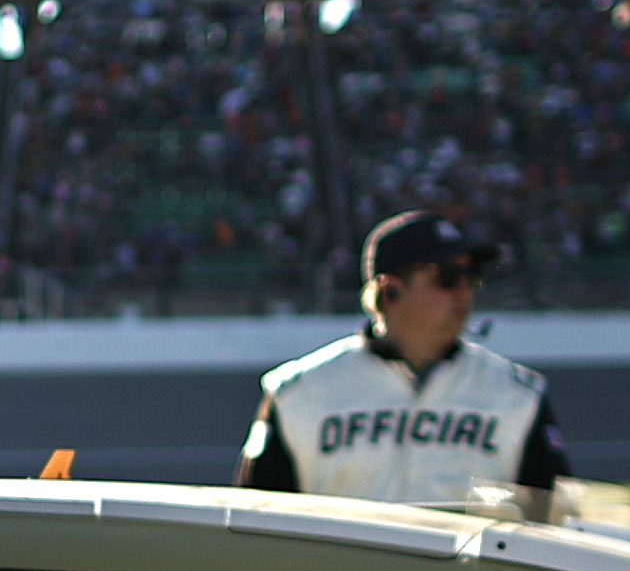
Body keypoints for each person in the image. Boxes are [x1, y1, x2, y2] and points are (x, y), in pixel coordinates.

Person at [236, 209, 571, 508]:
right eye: (447, 278)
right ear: (389, 291)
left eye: (472, 277)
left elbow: (553, 517)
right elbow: (257, 518)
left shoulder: (518, 395)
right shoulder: (297, 392)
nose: (464, 292)